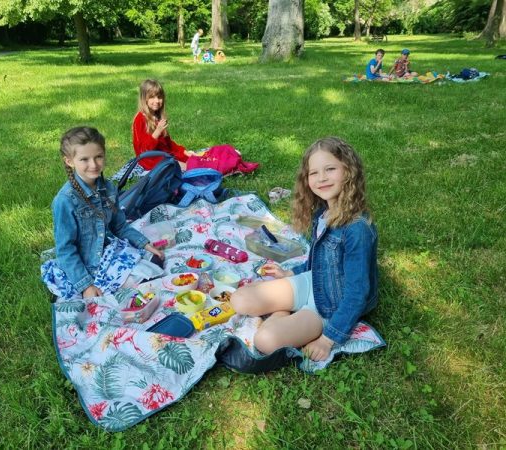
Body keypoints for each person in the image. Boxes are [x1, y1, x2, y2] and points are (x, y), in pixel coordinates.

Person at [231, 137, 378, 361]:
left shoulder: (357, 229)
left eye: (330, 169)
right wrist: (291, 273)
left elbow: (357, 293)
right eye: (313, 173)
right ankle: (284, 312)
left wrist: (327, 340)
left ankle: (286, 316)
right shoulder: (322, 212)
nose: (322, 178)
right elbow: (322, 260)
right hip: (314, 281)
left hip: (331, 307)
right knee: (240, 299)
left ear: (349, 171)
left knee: (265, 341)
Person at [41, 126, 164, 300]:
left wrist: (144, 244)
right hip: (84, 265)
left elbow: (119, 226)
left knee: (154, 268)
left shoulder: (109, 188)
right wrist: (86, 285)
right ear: (69, 161)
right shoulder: (65, 201)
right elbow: (65, 249)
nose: (93, 165)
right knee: (131, 288)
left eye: (98, 156)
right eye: (84, 159)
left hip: (107, 253)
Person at [132, 79, 195, 170]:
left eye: (159, 97)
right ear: (144, 98)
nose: (157, 101)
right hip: (150, 160)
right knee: (187, 167)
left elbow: (168, 143)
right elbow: (144, 150)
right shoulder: (140, 119)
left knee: (192, 160)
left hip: (164, 154)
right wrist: (157, 131)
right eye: (152, 97)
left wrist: (184, 152)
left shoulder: (157, 116)